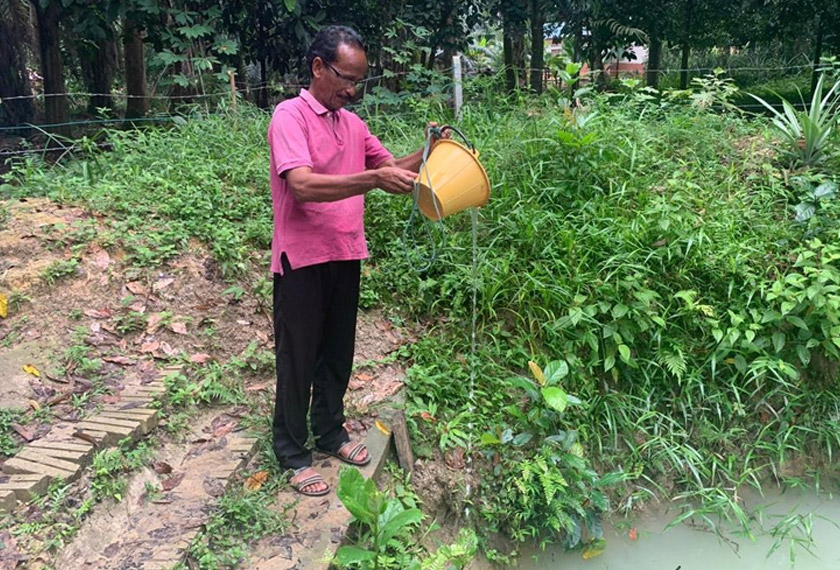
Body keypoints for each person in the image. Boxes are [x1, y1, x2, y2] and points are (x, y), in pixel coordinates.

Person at [267, 25, 443, 496]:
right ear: (318, 67)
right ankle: (291, 449)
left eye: (359, 81)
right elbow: (302, 185)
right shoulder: (290, 117)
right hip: (301, 259)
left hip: (346, 253)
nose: (351, 89)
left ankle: (330, 431)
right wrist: (370, 180)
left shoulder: (353, 125)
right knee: (297, 357)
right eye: (345, 77)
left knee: (337, 352)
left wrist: (429, 150)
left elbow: (391, 168)